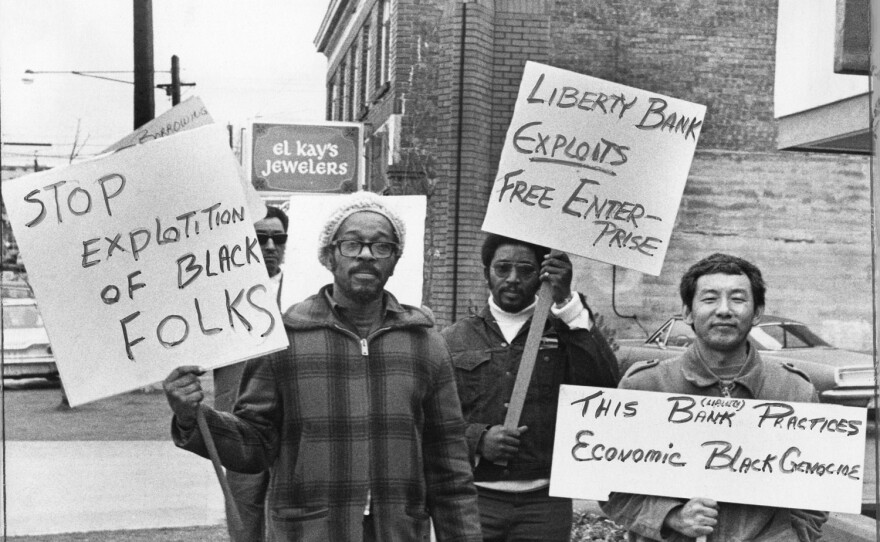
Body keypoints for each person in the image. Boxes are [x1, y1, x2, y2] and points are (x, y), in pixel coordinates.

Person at [164, 191, 482, 541]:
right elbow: (254, 445)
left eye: (381, 246)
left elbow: (450, 471)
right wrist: (192, 418)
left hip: (398, 531)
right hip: (308, 532)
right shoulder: (284, 338)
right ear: (329, 255)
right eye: (352, 244)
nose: (365, 254)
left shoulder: (425, 344)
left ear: (395, 260)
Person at [600, 253, 828, 541]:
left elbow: (820, 491)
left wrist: (791, 535)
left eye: (737, 299)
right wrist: (671, 517)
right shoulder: (645, 386)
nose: (724, 310)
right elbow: (610, 487)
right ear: (687, 313)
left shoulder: (794, 391)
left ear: (757, 312)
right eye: (709, 299)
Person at [441, 233, 620, 541]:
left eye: (526, 270)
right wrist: (478, 439)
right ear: (486, 273)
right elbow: (431, 421)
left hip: (545, 503)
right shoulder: (453, 339)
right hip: (474, 499)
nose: (513, 279)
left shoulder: (566, 333)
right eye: (502, 269)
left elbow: (604, 387)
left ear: (541, 276)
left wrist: (567, 304)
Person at [211, 204, 288, 542]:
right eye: (260, 238)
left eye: (279, 238)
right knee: (244, 505)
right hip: (242, 419)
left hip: (295, 419)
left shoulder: (309, 290)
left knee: (292, 509)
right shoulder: (217, 292)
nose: (270, 247)